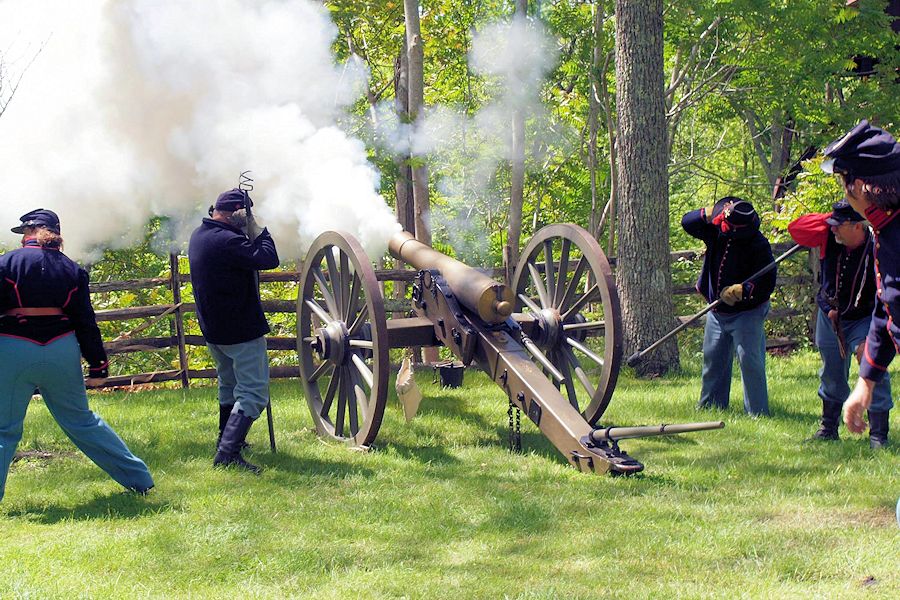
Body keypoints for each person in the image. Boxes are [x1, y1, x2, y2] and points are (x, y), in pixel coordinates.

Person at [0, 209, 154, 501]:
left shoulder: (5, 264)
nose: (21, 240)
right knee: (82, 422)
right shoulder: (72, 269)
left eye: (23, 234)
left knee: (3, 431)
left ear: (31, 232)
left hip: (13, 346)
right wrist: (98, 366)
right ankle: (140, 479)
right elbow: (85, 321)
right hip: (61, 349)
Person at [787, 200, 892, 446]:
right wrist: (834, 218)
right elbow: (796, 229)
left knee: (872, 365)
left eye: (839, 226)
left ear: (857, 226)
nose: (832, 229)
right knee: (832, 372)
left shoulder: (878, 244)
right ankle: (828, 428)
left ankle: (878, 435)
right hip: (830, 316)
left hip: (865, 317)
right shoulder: (827, 236)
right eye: (831, 225)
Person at [189, 189, 279, 473]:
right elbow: (268, 258)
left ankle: (225, 441)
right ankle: (228, 453)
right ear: (239, 214)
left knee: (228, 385)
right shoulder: (228, 240)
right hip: (239, 329)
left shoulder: (199, 235)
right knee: (253, 393)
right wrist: (259, 230)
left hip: (215, 329)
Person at [822, 120, 900, 448]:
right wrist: (865, 382)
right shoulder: (889, 227)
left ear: (861, 187)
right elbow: (889, 307)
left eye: (844, 182)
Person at [682, 197, 776, 416]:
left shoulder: (758, 243)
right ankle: (711, 405)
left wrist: (743, 290)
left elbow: (767, 281)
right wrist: (707, 212)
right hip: (716, 310)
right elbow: (688, 223)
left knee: (749, 361)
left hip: (747, 312)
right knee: (713, 359)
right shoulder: (715, 229)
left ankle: (757, 412)